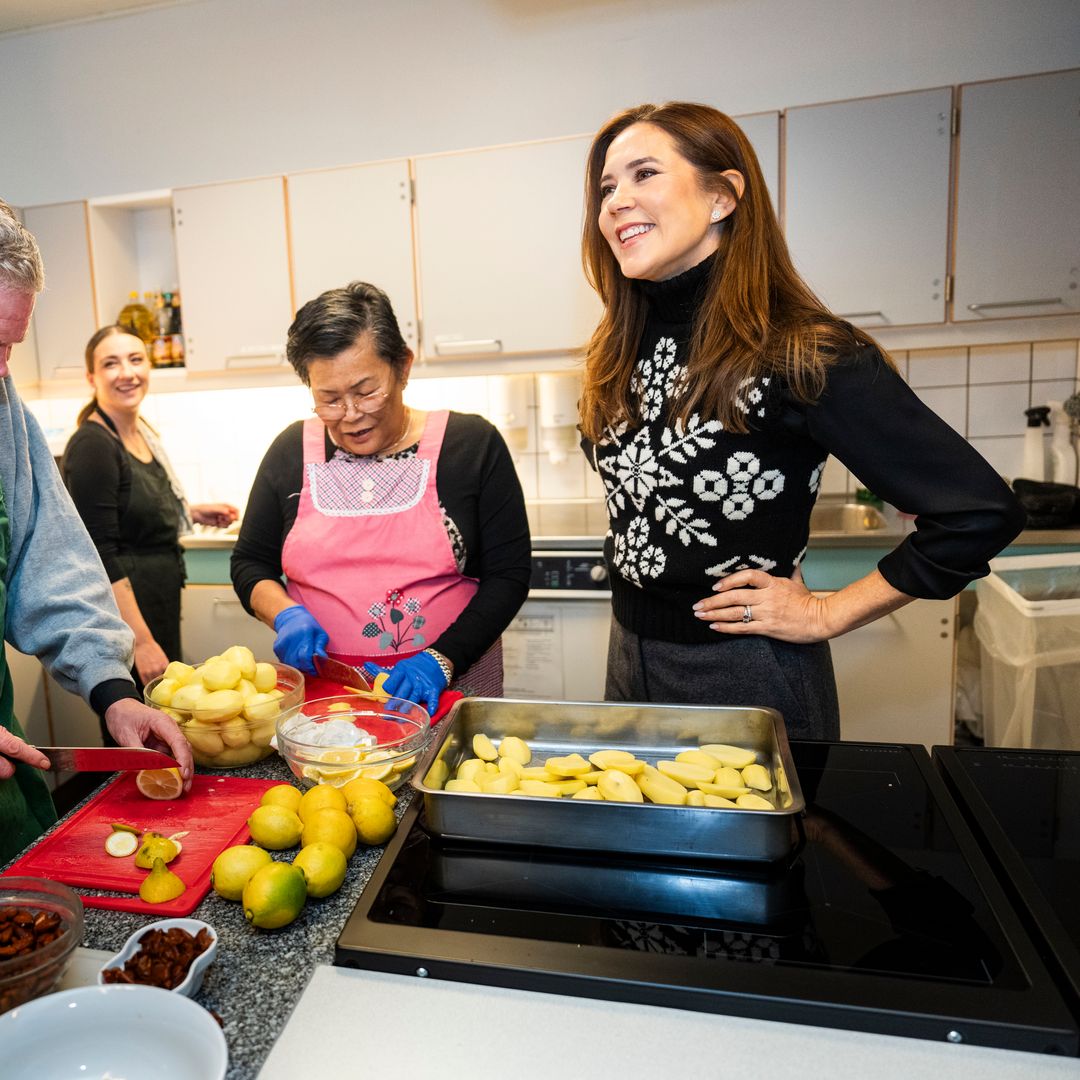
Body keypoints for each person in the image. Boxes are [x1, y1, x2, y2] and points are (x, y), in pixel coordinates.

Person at [577, 103, 1026, 740]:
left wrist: (826, 614)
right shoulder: (619, 349)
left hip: (748, 673)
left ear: (723, 196)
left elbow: (979, 512)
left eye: (644, 173)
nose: (616, 201)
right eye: (606, 188)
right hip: (628, 657)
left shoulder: (800, 350)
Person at [230, 281, 531, 715]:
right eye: (328, 399)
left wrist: (441, 660)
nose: (350, 416)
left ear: (403, 368)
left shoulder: (471, 444)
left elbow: (510, 575)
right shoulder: (290, 450)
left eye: (366, 391)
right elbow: (249, 562)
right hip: (324, 697)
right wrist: (283, 614)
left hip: (448, 689)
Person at [0, 199, 193, 865]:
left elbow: (49, 568)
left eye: (9, 347)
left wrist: (112, 690)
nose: (1, 371)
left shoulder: (6, 418)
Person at [63, 325, 238, 697]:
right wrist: (139, 642)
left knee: (163, 720)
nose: (127, 372)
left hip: (156, 605)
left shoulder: (140, 431)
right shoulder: (93, 445)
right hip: (127, 623)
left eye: (135, 359)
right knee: (137, 732)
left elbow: (129, 509)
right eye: (111, 363)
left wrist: (190, 511)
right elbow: (101, 552)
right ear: (91, 377)